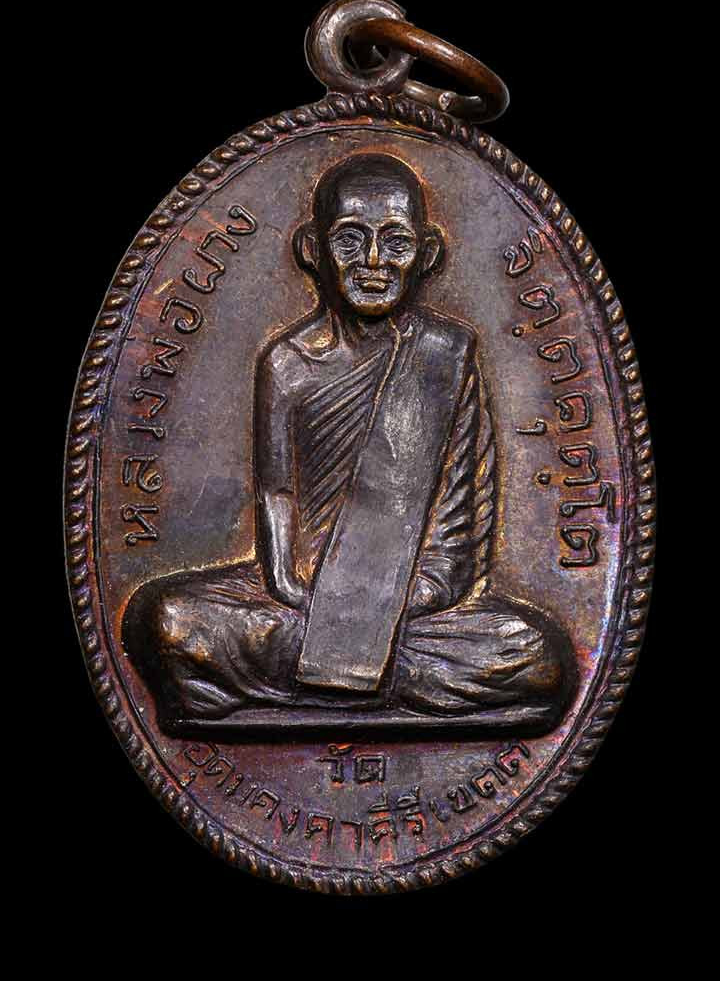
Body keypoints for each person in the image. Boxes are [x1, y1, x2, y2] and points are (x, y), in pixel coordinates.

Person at [123, 154, 575, 730]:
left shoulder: (444, 355)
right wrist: (298, 591)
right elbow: (278, 496)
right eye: (350, 240)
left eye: (396, 243)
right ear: (313, 250)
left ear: (427, 254)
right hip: (295, 600)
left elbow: (459, 529)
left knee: (534, 654)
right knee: (171, 623)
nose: (373, 262)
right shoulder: (287, 364)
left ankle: (319, 684)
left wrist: (392, 602)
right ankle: (368, 682)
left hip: (409, 606)